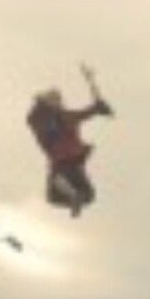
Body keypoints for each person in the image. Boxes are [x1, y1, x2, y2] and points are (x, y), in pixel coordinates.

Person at [27, 65, 113, 218]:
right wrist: (92, 82)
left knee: (52, 195)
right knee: (89, 195)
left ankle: (70, 192)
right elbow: (95, 107)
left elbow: (33, 116)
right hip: (76, 163)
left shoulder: (40, 116)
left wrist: (91, 82)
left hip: (61, 162)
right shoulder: (69, 116)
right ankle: (74, 195)